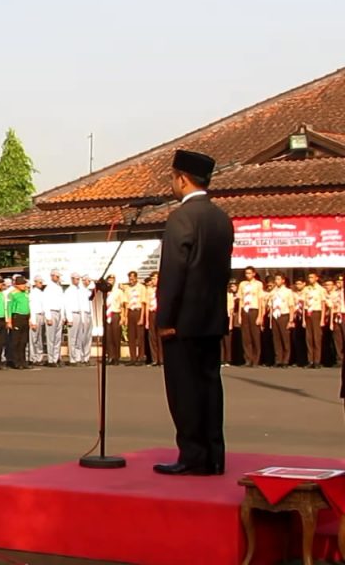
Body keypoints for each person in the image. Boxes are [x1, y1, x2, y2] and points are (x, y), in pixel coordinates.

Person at [154, 149, 233, 477]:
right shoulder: (220, 218)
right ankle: (215, 455)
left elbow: (173, 272)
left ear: (182, 179)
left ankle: (192, 454)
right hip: (211, 318)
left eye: (173, 178)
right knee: (210, 386)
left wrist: (165, 319)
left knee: (184, 388)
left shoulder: (181, 218)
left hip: (183, 322)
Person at [237, 266, 265, 367]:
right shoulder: (242, 284)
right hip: (245, 310)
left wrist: (260, 316)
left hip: (254, 309)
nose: (247, 275)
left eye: (249, 273)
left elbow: (261, 300)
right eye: (246, 273)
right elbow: (240, 300)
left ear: (254, 274)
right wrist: (240, 315)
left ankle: (256, 360)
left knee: (255, 336)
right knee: (246, 337)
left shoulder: (258, 284)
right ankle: (248, 359)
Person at [302, 272, 328, 368]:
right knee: (309, 338)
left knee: (317, 338)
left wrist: (322, 319)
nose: (310, 279)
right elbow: (304, 304)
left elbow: (323, 305)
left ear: (316, 278)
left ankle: (317, 361)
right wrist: (304, 320)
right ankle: (310, 360)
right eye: (309, 277)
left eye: (312, 277)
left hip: (317, 313)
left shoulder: (321, 290)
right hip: (308, 313)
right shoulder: (306, 289)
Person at [6, 276, 32, 369]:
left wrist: (30, 318)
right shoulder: (12, 294)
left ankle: (23, 361)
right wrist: (9, 320)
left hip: (25, 317)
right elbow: (9, 307)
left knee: (23, 341)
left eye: (25, 283)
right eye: (22, 284)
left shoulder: (26, 293)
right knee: (16, 341)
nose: (24, 285)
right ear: (17, 285)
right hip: (17, 316)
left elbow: (28, 306)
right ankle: (16, 361)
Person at [123, 271, 148, 365]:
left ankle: (141, 357)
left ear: (136, 278)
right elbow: (125, 304)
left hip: (138, 311)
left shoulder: (141, 288)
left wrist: (142, 318)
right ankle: (133, 358)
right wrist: (125, 317)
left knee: (140, 336)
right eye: (130, 279)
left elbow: (143, 303)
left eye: (133, 279)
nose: (131, 281)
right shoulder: (127, 288)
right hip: (130, 312)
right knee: (131, 336)